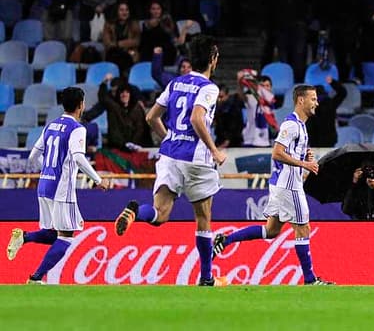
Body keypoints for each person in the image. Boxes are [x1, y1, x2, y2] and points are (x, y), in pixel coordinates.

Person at [113, 35, 228, 286]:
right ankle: (207, 277)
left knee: (159, 214)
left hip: (169, 156)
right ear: (212, 59)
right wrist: (215, 150)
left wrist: (170, 138)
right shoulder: (209, 88)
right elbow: (198, 119)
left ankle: (135, 212)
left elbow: (151, 117)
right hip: (196, 159)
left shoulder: (175, 83)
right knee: (203, 219)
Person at [213, 85, 334, 285]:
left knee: (271, 230)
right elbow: (276, 153)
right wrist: (304, 163)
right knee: (303, 228)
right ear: (301, 100)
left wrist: (304, 156)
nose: (316, 103)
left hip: (281, 184)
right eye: (313, 99)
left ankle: (226, 240)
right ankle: (311, 280)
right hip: (289, 185)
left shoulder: (301, 126)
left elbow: (288, 153)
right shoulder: (292, 125)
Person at [6, 87, 110, 283]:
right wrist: (98, 180)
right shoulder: (77, 128)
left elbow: (32, 156)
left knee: (54, 234)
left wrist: (47, 170)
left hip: (44, 185)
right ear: (81, 105)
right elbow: (78, 157)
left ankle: (24, 238)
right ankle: (35, 278)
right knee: (67, 237)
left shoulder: (50, 125)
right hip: (62, 190)